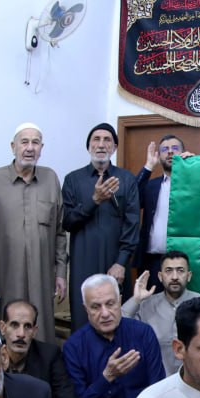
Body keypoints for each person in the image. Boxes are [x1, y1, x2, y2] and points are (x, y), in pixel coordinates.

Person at [0, 122, 67, 343]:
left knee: (41, 331)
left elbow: (59, 232)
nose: (30, 148)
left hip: (42, 277)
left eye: (35, 143)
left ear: (41, 148)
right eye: (24, 142)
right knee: (7, 329)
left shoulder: (50, 179)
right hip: (4, 276)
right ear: (13, 146)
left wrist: (60, 273)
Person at [62, 123, 141, 325]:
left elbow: (132, 224)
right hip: (83, 262)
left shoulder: (126, 179)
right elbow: (67, 222)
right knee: (83, 319)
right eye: (96, 139)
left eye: (107, 140)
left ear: (114, 147)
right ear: (89, 146)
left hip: (116, 264)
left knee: (117, 319)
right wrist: (94, 201)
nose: (101, 144)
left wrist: (121, 262)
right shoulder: (73, 180)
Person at [123, 250, 200, 373]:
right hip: (157, 380)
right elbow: (119, 325)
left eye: (180, 270)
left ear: (189, 275)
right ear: (160, 276)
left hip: (196, 380)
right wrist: (136, 299)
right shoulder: (146, 305)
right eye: (168, 271)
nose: (175, 277)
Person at [136, 134, 188, 290]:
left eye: (175, 148)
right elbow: (131, 199)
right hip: (153, 262)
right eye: (165, 149)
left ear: (183, 152)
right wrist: (148, 166)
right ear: (159, 156)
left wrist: (195, 166)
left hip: (184, 262)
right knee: (150, 303)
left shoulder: (193, 184)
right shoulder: (151, 186)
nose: (170, 152)